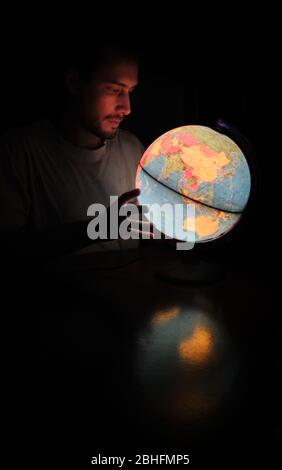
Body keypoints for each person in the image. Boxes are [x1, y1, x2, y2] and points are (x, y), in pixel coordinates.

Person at [0, 41, 152, 260]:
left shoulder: (133, 149)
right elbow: (8, 248)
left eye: (130, 91)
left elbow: (151, 229)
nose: (126, 108)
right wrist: (96, 229)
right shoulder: (22, 151)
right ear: (74, 82)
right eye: (114, 89)